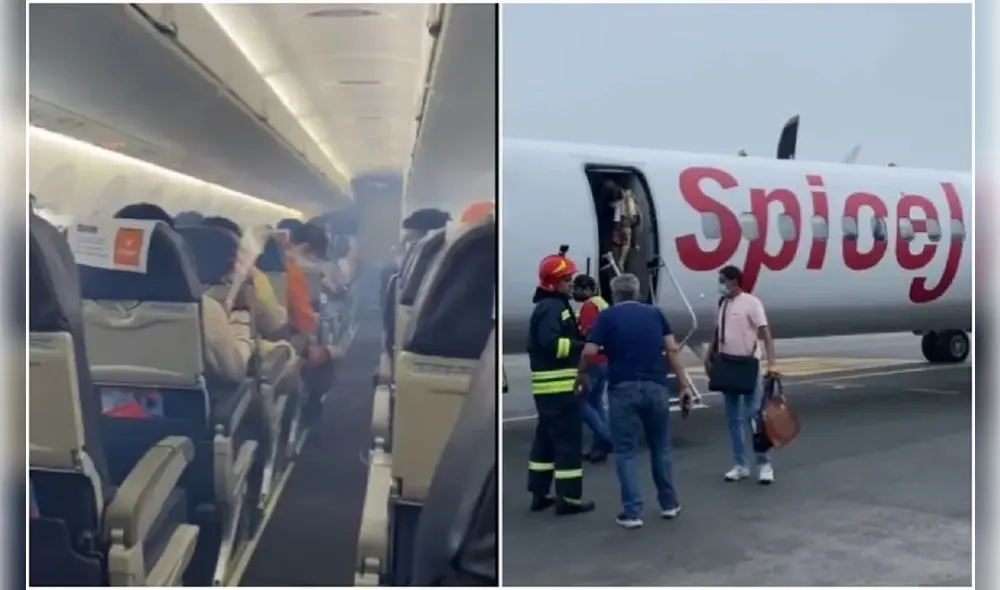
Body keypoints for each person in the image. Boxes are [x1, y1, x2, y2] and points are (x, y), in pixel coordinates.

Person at [578, 273, 695, 529]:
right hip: (656, 386)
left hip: (623, 388)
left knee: (626, 452)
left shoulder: (606, 316)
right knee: (661, 447)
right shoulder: (656, 314)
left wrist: (581, 374)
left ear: (614, 294)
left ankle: (632, 512)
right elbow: (672, 350)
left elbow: (588, 351)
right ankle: (669, 504)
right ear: (637, 291)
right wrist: (684, 385)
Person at [112, 203, 252, 383]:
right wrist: (241, 315)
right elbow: (235, 370)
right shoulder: (202, 309)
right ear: (175, 247)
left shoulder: (78, 311)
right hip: (187, 410)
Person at [525, 246, 594, 516]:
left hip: (550, 389)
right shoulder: (552, 308)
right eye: (567, 280)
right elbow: (552, 344)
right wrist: (581, 346)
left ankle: (539, 492)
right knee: (568, 443)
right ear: (554, 282)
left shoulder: (551, 306)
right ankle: (569, 498)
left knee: (545, 441)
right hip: (559, 388)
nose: (571, 284)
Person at [705, 265, 779, 485]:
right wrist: (710, 354)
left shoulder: (752, 303)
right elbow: (718, 332)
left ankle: (764, 464)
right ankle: (740, 465)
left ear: (734, 281)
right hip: (727, 364)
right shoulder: (722, 303)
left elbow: (765, 333)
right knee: (732, 419)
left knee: (754, 416)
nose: (720, 285)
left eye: (723, 281)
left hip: (748, 365)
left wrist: (771, 362)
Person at [571, 275, 612, 463]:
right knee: (596, 403)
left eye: (577, 289)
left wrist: (581, 367)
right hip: (605, 359)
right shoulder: (602, 303)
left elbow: (588, 337)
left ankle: (606, 437)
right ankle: (599, 448)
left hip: (594, 360)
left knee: (578, 402)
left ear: (587, 289)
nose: (574, 293)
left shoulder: (589, 307)